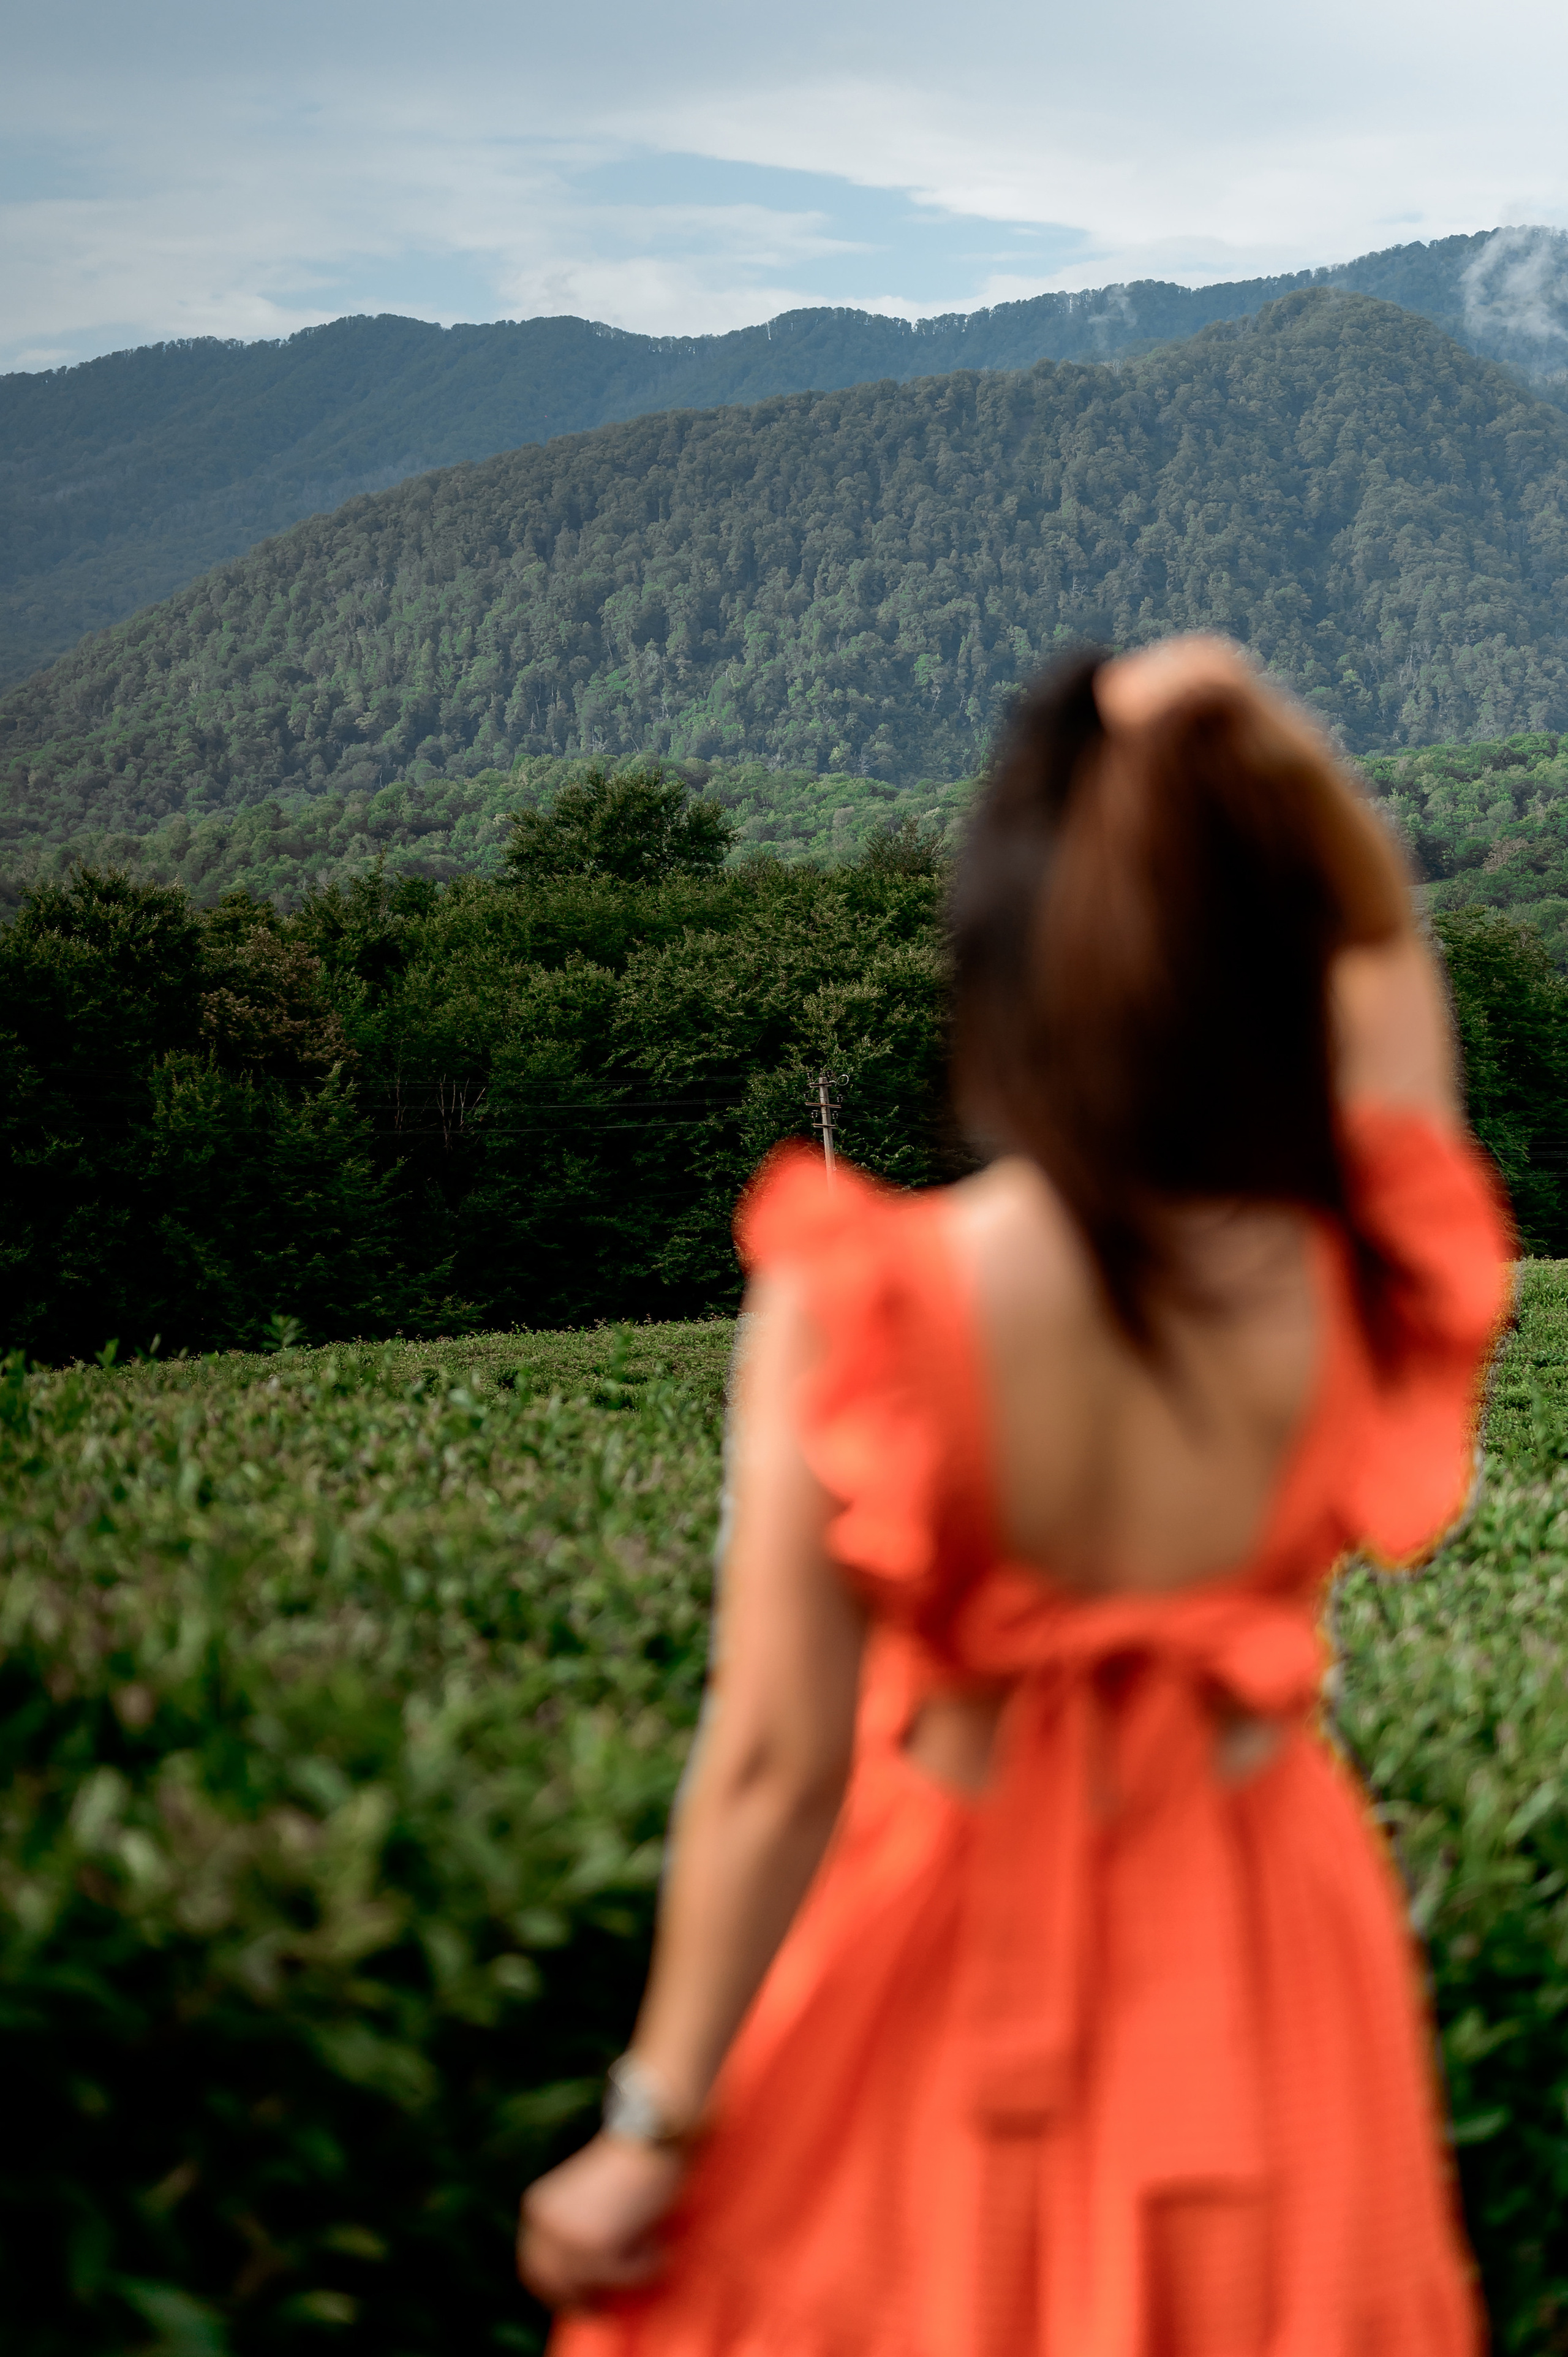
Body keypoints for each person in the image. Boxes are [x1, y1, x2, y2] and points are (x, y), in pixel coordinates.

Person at [518, 637, 1513, 2356]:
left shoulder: (865, 1301)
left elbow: (775, 1765)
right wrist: (1263, 745)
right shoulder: (1341, 1265)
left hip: (944, 1939)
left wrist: (648, 2125)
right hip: (1275, 1943)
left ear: (1002, 962)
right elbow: (1380, 955)